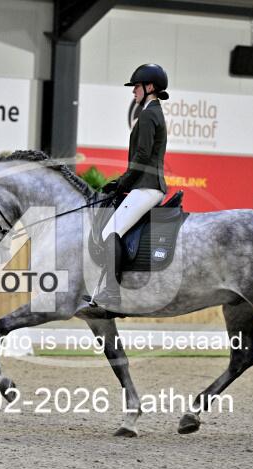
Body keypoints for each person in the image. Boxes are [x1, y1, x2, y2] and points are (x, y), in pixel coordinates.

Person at [92, 63, 169, 307]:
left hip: (147, 186)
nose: (133, 91)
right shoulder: (152, 112)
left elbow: (143, 156)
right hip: (147, 185)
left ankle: (113, 294)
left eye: (136, 86)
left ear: (150, 87)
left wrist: (121, 183)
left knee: (110, 232)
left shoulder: (147, 114)